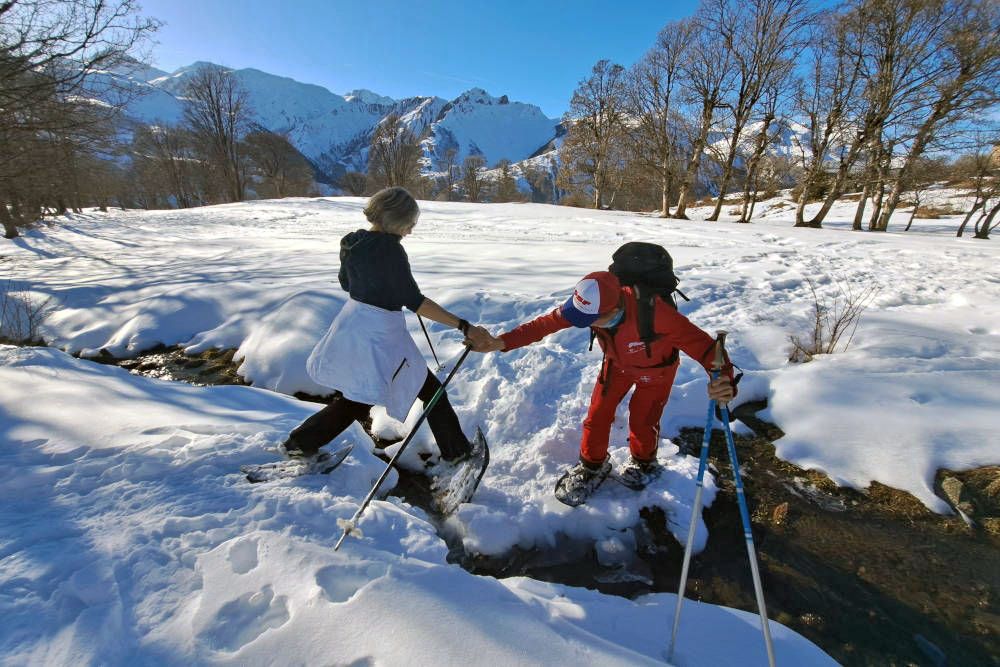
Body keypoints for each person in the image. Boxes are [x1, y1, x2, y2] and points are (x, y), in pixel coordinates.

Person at [470, 270, 736, 503]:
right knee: (597, 415)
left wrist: (723, 379)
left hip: (657, 372)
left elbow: (705, 347)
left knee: (643, 419)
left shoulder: (656, 314)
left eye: (590, 319)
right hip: (617, 365)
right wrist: (501, 342)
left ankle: (644, 463)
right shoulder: (584, 305)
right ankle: (592, 465)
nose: (581, 322)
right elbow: (544, 324)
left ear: (613, 310)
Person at [283, 186, 492, 465]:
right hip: (381, 333)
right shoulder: (391, 250)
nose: (411, 230)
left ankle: (300, 442)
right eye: (410, 223)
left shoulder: (351, 242)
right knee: (428, 388)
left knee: (360, 395)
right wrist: (462, 325)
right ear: (397, 219)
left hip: (353, 324)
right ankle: (457, 453)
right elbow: (415, 301)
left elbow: (347, 284)